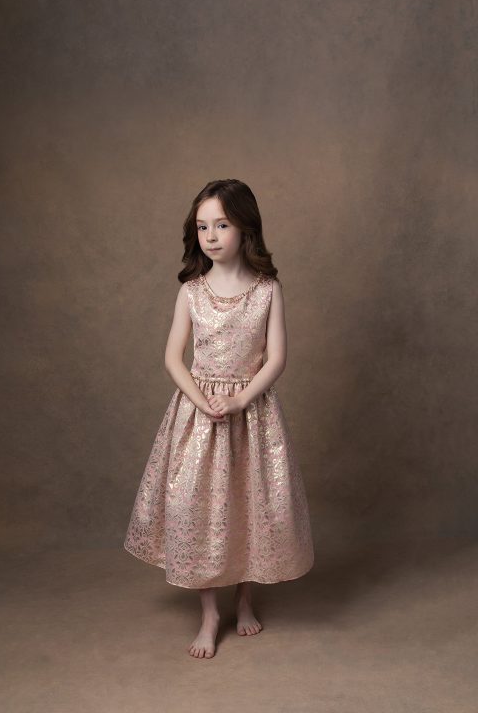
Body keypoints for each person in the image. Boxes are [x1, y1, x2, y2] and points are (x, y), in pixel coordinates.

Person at [124, 178, 314, 659]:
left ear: (245, 227)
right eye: (202, 226)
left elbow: (276, 359)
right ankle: (209, 612)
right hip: (199, 416)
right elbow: (172, 357)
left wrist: (240, 400)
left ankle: (244, 599)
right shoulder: (191, 291)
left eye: (221, 224)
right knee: (198, 508)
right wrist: (201, 400)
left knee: (249, 507)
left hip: (252, 416)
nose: (210, 235)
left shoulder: (268, 291)